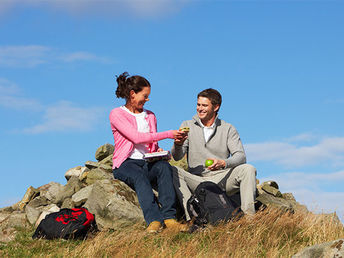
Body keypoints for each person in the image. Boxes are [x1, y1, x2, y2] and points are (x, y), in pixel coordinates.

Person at [109, 72, 188, 233]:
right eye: (144, 96)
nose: (147, 99)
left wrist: (157, 150)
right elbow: (137, 138)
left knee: (165, 168)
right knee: (139, 177)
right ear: (132, 94)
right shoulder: (117, 114)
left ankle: (170, 218)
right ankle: (153, 221)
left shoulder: (150, 115)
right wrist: (169, 134)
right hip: (126, 163)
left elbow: (151, 142)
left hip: (147, 161)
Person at [171, 88, 257, 221]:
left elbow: (241, 156)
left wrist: (224, 163)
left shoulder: (228, 128)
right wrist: (178, 144)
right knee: (172, 170)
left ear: (216, 107)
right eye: (198, 104)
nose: (200, 108)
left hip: (221, 179)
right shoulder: (188, 125)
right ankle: (192, 218)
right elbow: (177, 157)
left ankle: (249, 219)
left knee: (248, 169)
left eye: (204, 105)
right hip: (197, 179)